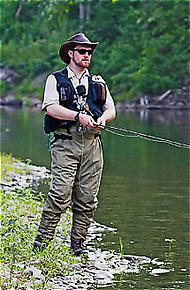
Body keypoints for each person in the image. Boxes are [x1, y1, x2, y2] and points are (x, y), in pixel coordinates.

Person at [33, 32, 116, 255]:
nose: (87, 54)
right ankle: (42, 243)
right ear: (70, 53)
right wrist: (77, 116)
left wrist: (102, 120)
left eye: (89, 51)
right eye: (82, 51)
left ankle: (77, 245)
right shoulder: (55, 79)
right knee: (60, 193)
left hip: (92, 145)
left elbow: (111, 109)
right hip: (65, 142)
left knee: (88, 198)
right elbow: (50, 107)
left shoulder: (98, 82)